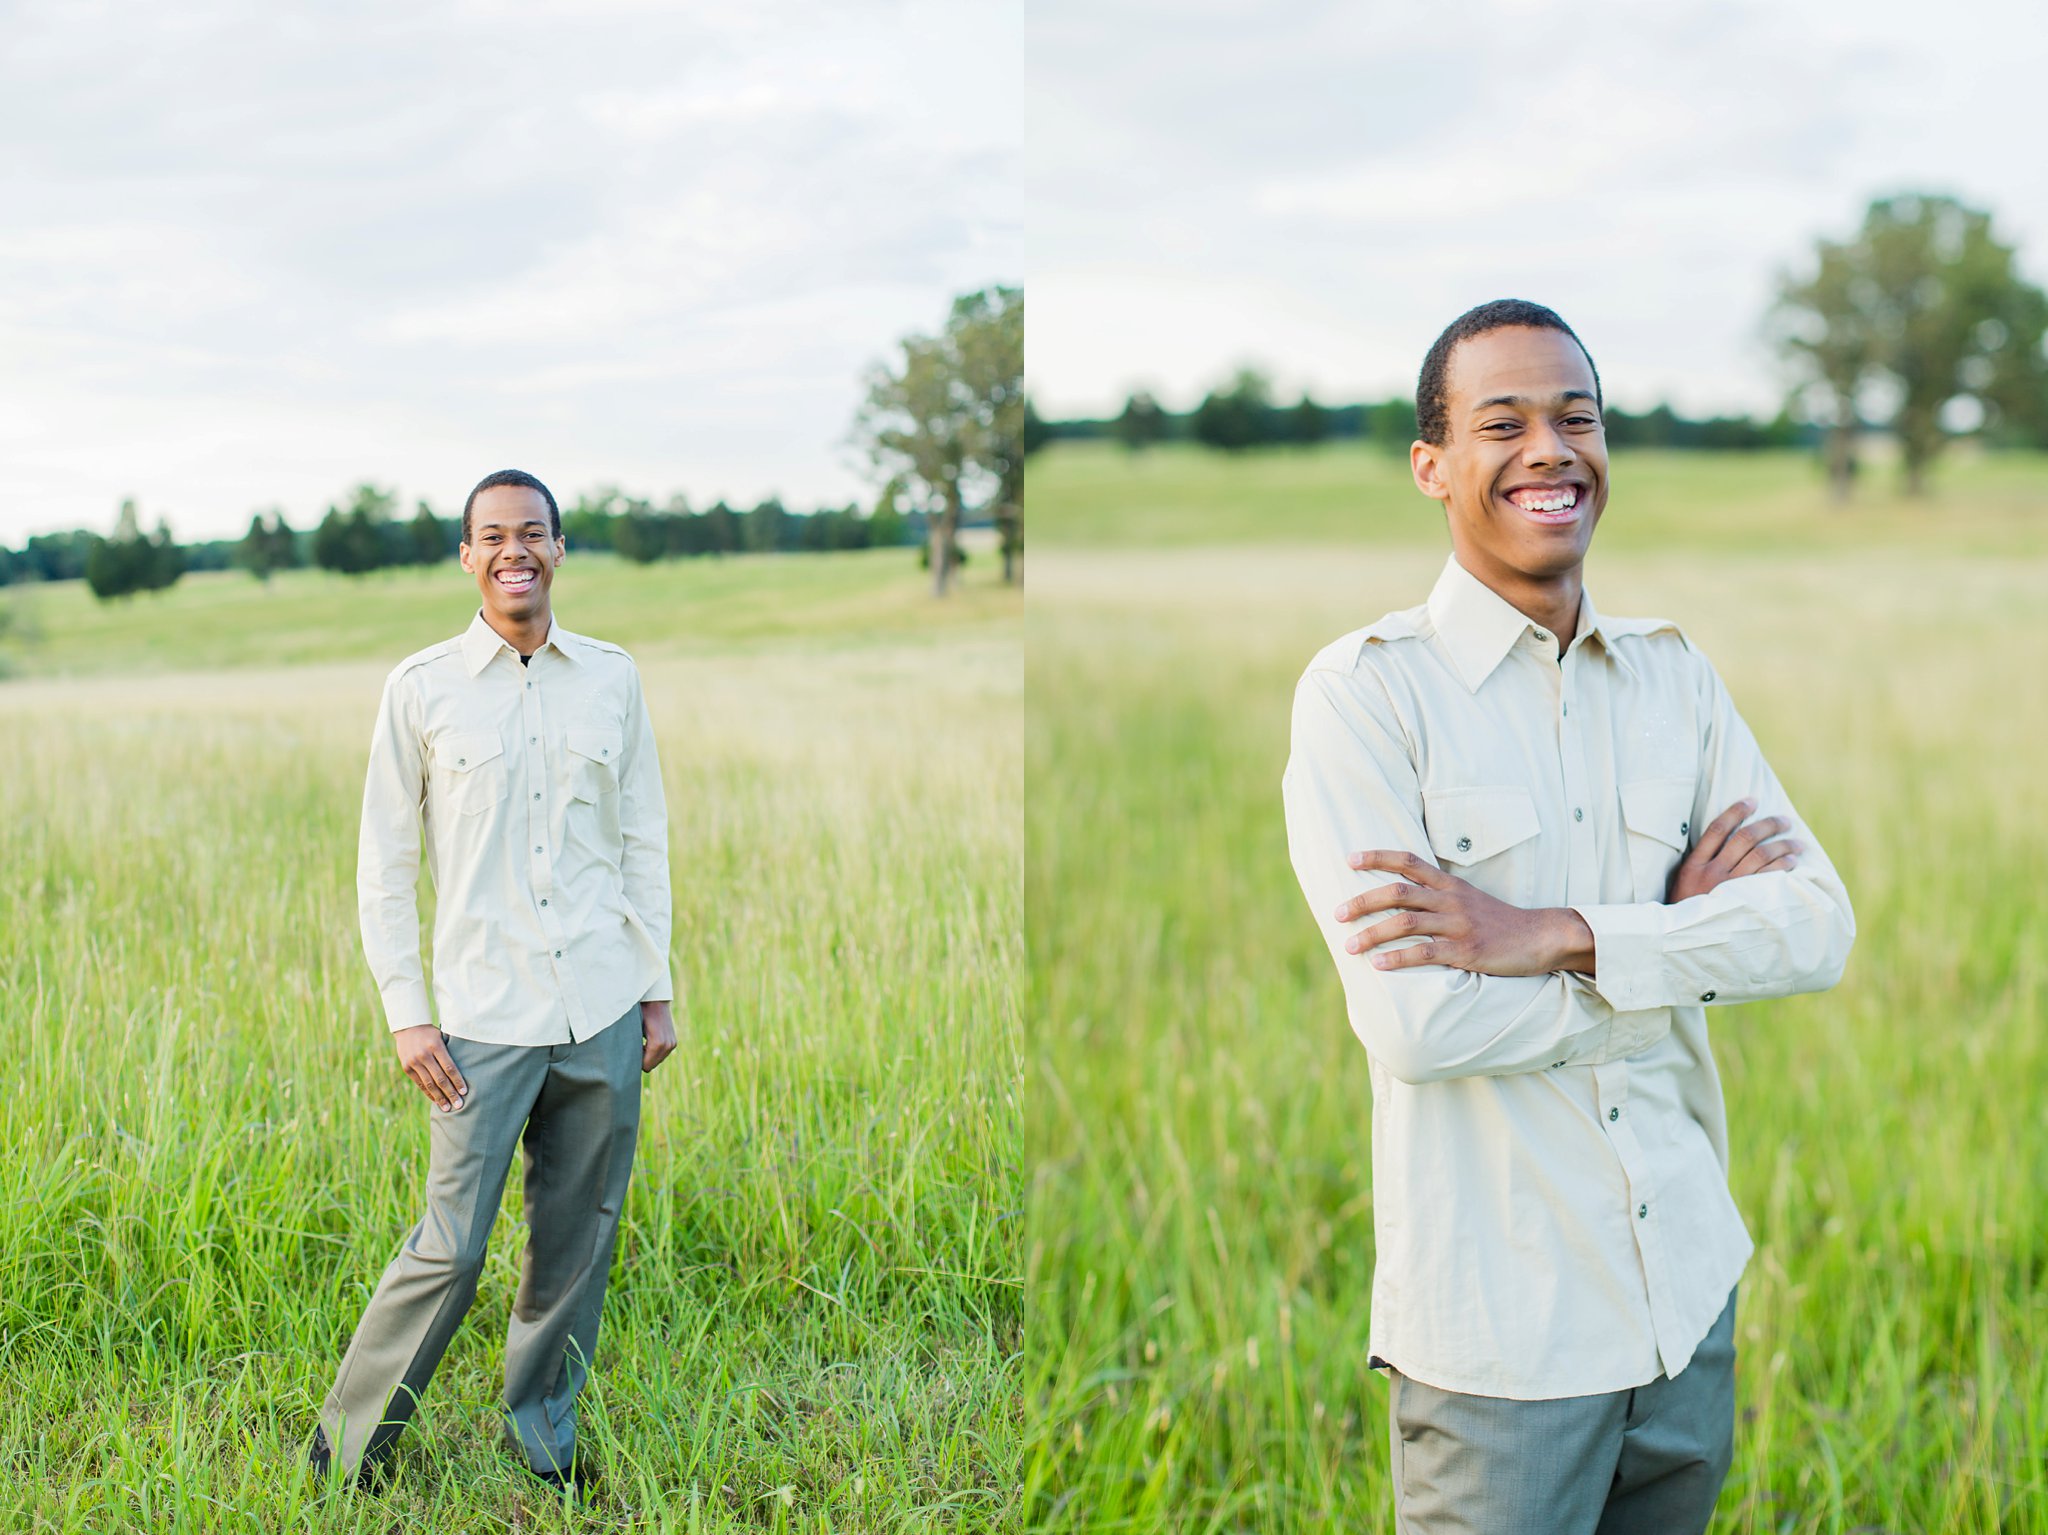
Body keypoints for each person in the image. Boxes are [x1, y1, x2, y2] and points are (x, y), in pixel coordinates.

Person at [1281, 301, 1854, 1532]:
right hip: (1504, 1346)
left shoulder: (1672, 677)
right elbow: (1420, 1027)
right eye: (1503, 422)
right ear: (1431, 465)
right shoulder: (1366, 699)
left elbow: (1815, 925)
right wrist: (1673, 947)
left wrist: (1558, 933)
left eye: (1574, 417)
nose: (1549, 448)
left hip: (1684, 1295)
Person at [309, 468, 677, 1491]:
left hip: (600, 1003)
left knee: (576, 1238)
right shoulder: (420, 687)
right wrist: (407, 1016)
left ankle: (545, 1438)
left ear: (559, 549)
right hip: (478, 1017)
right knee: (450, 1246)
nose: (515, 550)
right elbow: (382, 866)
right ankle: (345, 1450)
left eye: (533, 533)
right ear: (466, 557)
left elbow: (640, 837)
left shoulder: (611, 676)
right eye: (493, 536)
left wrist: (656, 985)